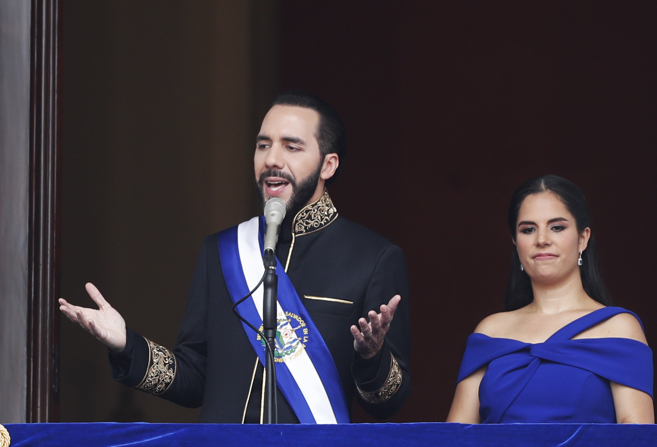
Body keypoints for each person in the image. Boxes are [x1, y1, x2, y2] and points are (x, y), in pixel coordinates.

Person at [59, 91, 411, 424]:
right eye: (263, 145)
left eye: (292, 146)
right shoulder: (222, 251)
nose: (272, 159)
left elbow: (387, 402)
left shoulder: (373, 258)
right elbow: (195, 378)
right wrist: (127, 345)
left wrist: (372, 357)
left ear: (327, 165)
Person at [447, 175, 654, 424]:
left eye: (557, 227)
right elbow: (456, 437)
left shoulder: (619, 328)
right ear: (515, 242)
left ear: (583, 238)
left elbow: (638, 437)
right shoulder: (490, 331)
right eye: (528, 229)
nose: (542, 239)